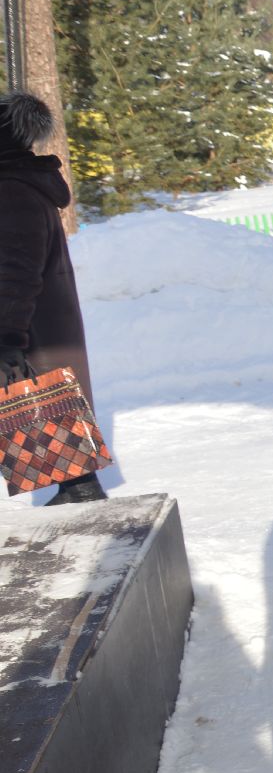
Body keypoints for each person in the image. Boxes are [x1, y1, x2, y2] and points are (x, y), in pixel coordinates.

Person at [0, 91, 106, 504]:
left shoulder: (11, 191)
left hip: (25, 323)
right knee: (49, 400)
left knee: (41, 394)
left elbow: (13, 271)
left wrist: (8, 335)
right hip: (37, 321)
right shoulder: (21, 185)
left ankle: (80, 489)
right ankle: (79, 488)